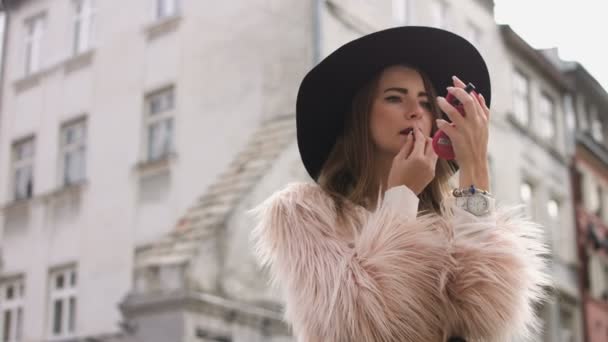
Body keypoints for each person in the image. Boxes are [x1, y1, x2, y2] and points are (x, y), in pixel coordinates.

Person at [249, 26, 552, 342]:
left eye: (425, 102)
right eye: (395, 98)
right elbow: (361, 327)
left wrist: (475, 169)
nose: (416, 112)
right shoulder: (306, 214)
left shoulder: (453, 220)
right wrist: (401, 197)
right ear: (359, 116)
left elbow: (486, 321)